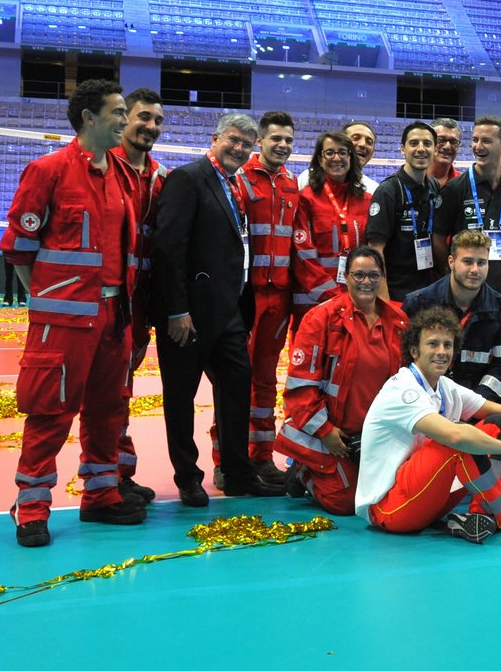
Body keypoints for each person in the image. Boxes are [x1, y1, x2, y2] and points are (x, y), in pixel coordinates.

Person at [2, 79, 142, 546]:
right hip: (62, 322)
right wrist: (45, 303)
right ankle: (32, 507)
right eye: (119, 112)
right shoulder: (48, 169)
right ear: (89, 117)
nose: (126, 120)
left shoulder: (123, 175)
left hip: (113, 316)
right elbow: (19, 249)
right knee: (49, 411)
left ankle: (101, 496)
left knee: (109, 410)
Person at [151, 112, 284, 506]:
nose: (240, 149)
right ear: (215, 138)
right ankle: (188, 476)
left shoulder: (235, 185)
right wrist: (176, 310)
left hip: (228, 313)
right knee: (181, 399)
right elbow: (167, 248)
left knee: (236, 392)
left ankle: (239, 473)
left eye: (247, 144)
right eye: (234, 140)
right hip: (188, 316)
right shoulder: (187, 178)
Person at [354, 305, 501, 543]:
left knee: (499, 424)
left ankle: (485, 512)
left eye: (447, 345)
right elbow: (456, 437)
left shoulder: (445, 386)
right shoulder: (402, 389)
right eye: (433, 344)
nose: (442, 351)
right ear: (414, 351)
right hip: (390, 509)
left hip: (425, 494)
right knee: (457, 441)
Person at [277, 246, 408, 513]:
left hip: (376, 434)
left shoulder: (398, 321)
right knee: (346, 503)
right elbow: (299, 387)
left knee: (390, 493)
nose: (366, 282)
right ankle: (304, 473)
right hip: (332, 433)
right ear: (345, 277)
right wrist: (326, 433)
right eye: (358, 275)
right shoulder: (320, 318)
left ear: (382, 277)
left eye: (373, 275)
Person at [404, 229, 501, 426]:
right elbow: (405, 360)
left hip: (480, 390)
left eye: (481, 263)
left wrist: (478, 401)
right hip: (431, 390)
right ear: (451, 262)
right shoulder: (419, 303)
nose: (475, 270)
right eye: (468, 261)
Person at [232, 113, 300, 486]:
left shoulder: (293, 185)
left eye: (288, 140)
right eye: (275, 138)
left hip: (280, 297)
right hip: (247, 296)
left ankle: (261, 456)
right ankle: (229, 459)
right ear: (260, 141)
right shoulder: (240, 179)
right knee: (236, 379)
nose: (283, 145)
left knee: (265, 380)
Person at [109, 86, 168, 504]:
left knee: (122, 391)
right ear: (124, 119)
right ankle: (106, 477)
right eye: (143, 117)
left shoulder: (161, 178)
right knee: (106, 394)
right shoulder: (102, 167)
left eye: (157, 121)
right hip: (106, 302)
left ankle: (118, 475)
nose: (150, 126)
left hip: (141, 306)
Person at [435, 115, 501, 299]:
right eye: (475, 140)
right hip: (465, 290)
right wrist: (457, 266)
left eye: (486, 141)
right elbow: (438, 239)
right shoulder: (455, 188)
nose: (478, 146)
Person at [292, 131, 372, 323]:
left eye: (343, 152)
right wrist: (333, 296)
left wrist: (356, 295)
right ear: (320, 159)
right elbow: (302, 255)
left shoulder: (367, 200)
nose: (337, 158)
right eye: (329, 153)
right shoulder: (306, 199)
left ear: (351, 158)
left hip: (355, 299)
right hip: (313, 302)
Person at [365, 121, 443, 302]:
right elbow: (376, 248)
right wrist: (384, 298)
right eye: (414, 143)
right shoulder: (389, 190)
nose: (421, 149)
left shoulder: (433, 186)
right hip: (396, 290)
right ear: (403, 149)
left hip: (427, 288)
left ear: (435, 150)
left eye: (427, 143)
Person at [297, 120, 379, 193]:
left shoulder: (373, 189)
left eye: (369, 142)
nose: (363, 144)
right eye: (356, 138)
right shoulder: (307, 178)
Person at [427, 117, 461, 188]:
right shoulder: (413, 179)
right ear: (428, 143)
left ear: (458, 146)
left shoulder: (464, 183)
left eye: (453, 142)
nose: (447, 146)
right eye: (441, 140)